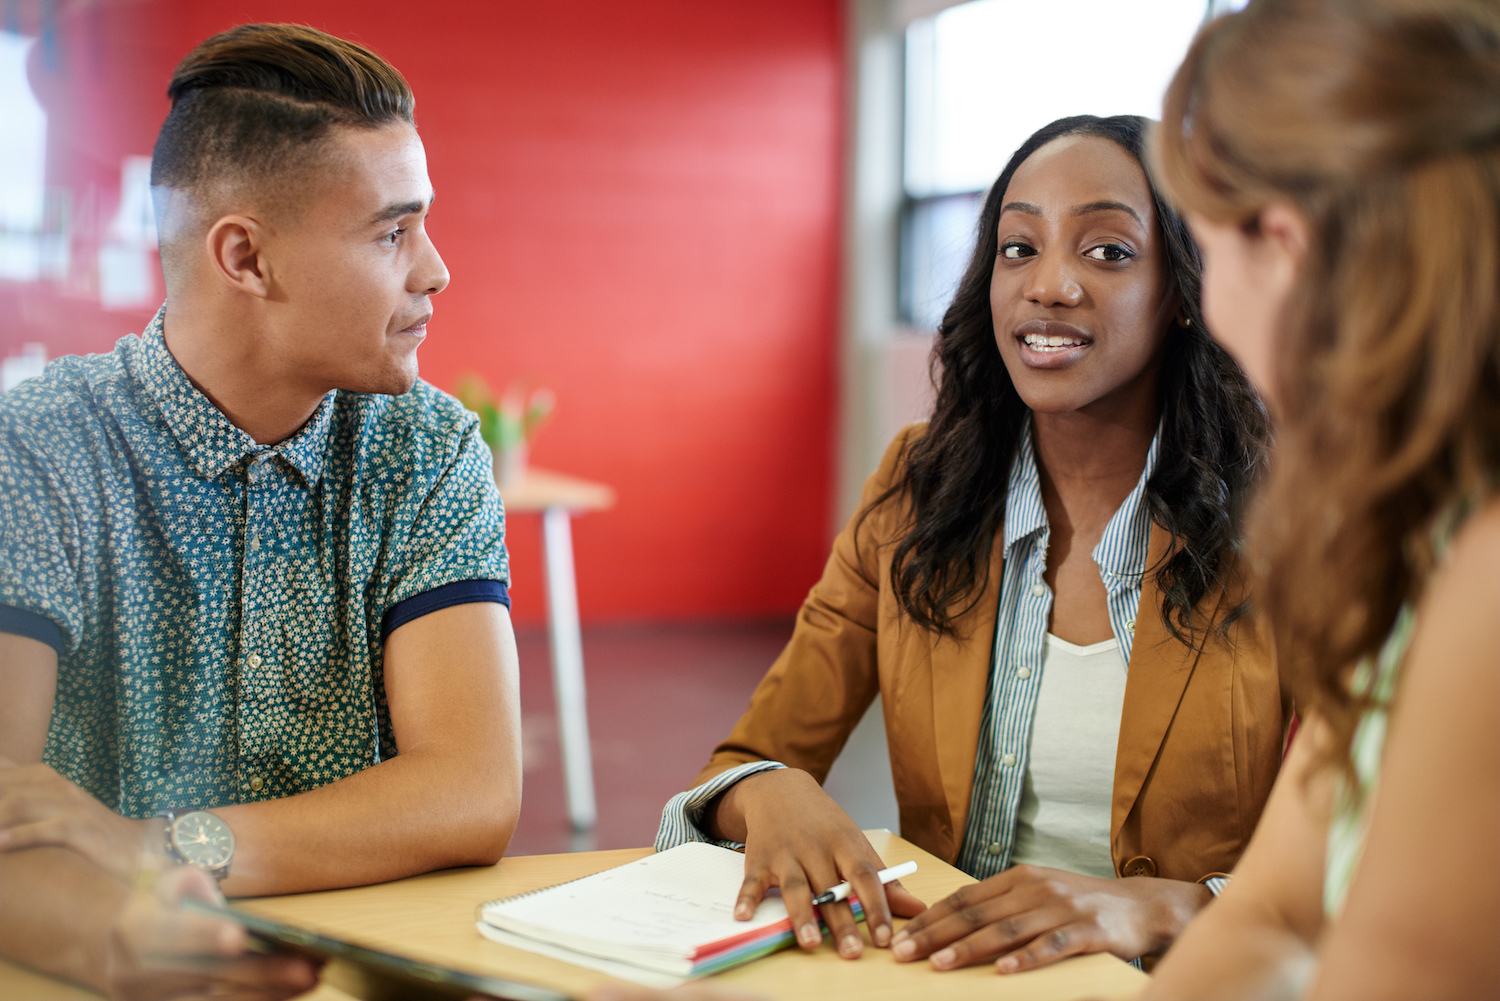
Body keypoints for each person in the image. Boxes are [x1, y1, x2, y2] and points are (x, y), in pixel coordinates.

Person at [654, 115, 1285, 974]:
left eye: (1107, 251)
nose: (1050, 285)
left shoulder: (1295, 523)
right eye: (1019, 247)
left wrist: (1166, 906)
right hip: (949, 979)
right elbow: (745, 761)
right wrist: (769, 791)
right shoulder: (916, 488)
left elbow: (1377, 856)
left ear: (1181, 291)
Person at [0, 24, 522, 998]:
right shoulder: (35, 448)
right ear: (245, 256)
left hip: (342, 964)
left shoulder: (427, 446)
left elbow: (472, 789)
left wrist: (155, 847)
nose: (435, 269)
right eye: (390, 231)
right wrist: (123, 934)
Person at [1136, 0, 1500, 998]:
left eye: (1210, 256)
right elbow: (1277, 907)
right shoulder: (1422, 526)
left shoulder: (1488, 574)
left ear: (1286, 246)